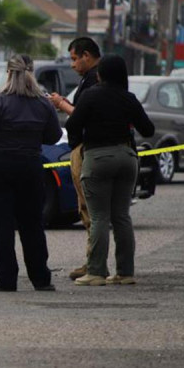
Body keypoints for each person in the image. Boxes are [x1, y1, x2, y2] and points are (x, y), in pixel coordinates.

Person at [0, 55, 62, 292]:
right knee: (32, 225)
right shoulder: (43, 103)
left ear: (8, 73)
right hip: (30, 167)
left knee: (2, 226)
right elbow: (53, 136)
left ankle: (6, 279)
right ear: (31, 73)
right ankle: (41, 279)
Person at [64, 54, 154, 286]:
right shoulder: (129, 98)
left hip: (98, 157)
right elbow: (148, 129)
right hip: (127, 157)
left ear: (100, 74)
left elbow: (72, 125)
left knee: (99, 216)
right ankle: (125, 272)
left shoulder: (91, 95)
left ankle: (96, 271)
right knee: (122, 215)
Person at [49, 37, 101, 280]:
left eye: (74, 58)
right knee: (90, 209)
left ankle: (95, 265)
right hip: (90, 147)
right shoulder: (91, 79)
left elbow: (84, 116)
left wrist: (62, 105)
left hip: (88, 149)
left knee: (90, 209)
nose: (72, 64)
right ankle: (93, 262)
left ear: (86, 56)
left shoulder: (95, 80)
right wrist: (65, 103)